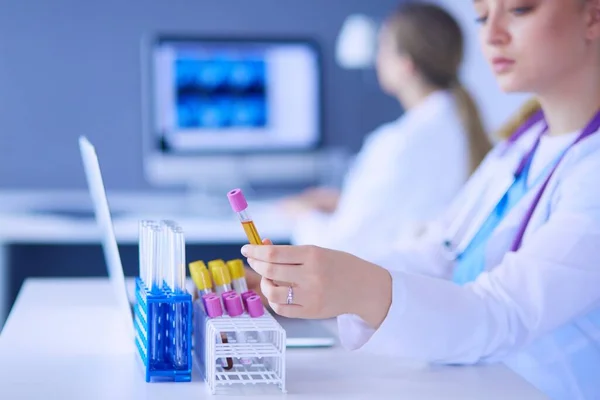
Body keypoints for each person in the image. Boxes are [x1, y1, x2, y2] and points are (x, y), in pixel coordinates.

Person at [241, 1, 600, 399]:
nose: (492, 34)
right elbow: (442, 252)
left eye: (519, 10)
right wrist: (329, 283)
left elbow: (506, 313)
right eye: (482, 17)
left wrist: (361, 289)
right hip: (475, 379)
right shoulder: (521, 145)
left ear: (593, 16)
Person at [280, 3, 491, 261]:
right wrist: (346, 202)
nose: (377, 58)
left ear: (406, 65)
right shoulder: (457, 123)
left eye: (383, 48)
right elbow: (408, 208)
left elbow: (341, 246)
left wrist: (303, 215)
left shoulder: (399, 142)